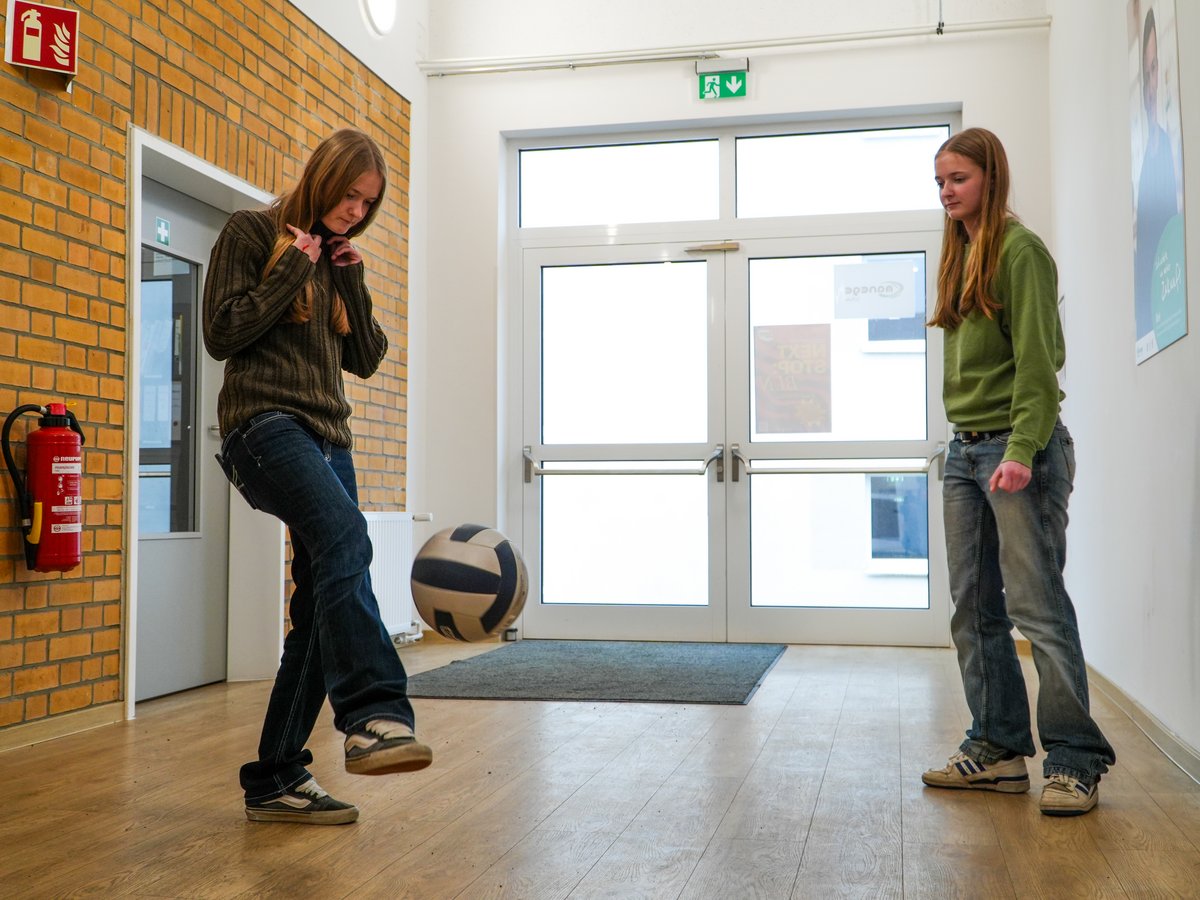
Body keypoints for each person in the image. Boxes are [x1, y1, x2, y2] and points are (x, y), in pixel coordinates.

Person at [203, 127, 432, 826]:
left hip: (330, 436)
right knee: (345, 536)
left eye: (369, 203)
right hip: (262, 426)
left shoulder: (338, 261)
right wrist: (293, 269)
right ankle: (373, 714)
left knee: (315, 615)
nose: (356, 210)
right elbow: (223, 332)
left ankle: (275, 777)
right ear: (324, 177)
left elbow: (365, 357)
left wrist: (350, 278)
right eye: (350, 195)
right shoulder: (251, 232)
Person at [921, 127, 1115, 816]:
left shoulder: (1021, 252)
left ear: (990, 178)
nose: (947, 190)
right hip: (965, 452)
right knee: (974, 610)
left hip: (1018, 449)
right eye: (940, 180)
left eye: (958, 178)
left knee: (1037, 607)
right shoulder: (961, 256)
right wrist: (971, 451)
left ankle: (1075, 760)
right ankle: (998, 748)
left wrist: (1020, 452)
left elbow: (1039, 365)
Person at [1133, 5, 1178, 340]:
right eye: (1145, 73)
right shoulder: (1146, 162)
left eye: (1154, 69)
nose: (1151, 84)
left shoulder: (1166, 153)